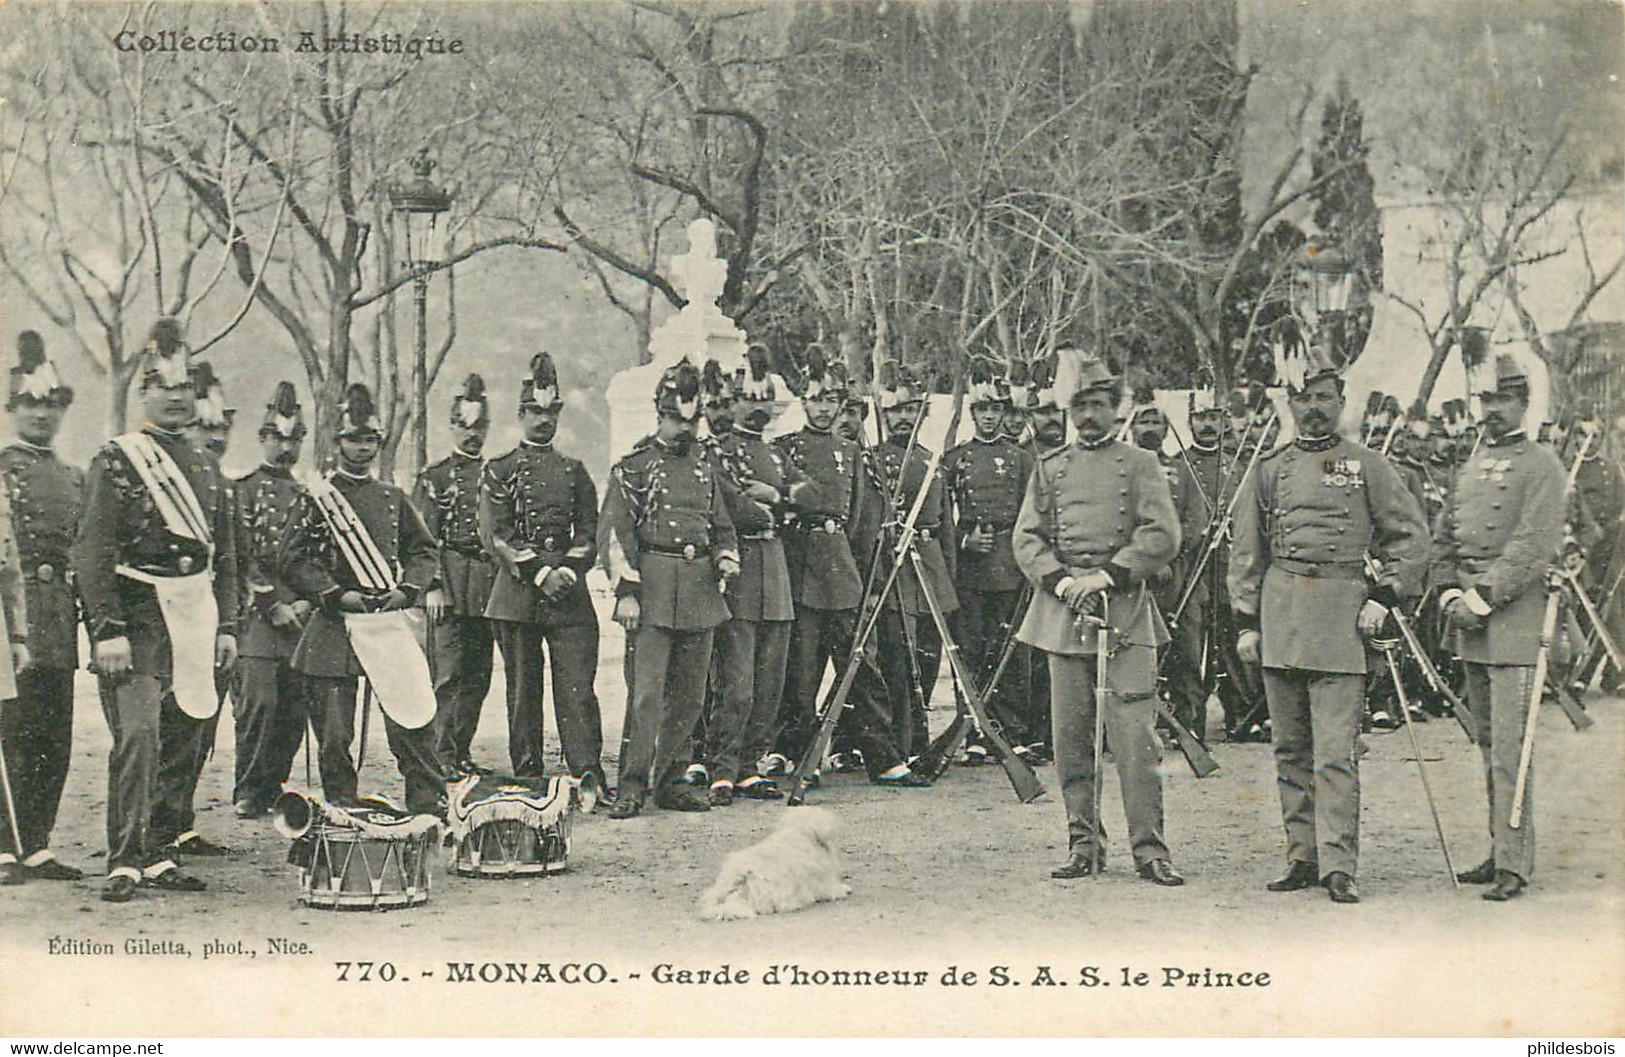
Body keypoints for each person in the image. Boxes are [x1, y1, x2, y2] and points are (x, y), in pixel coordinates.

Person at [1228, 344, 1429, 905]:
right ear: (1289, 404)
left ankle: (1339, 864)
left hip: (1343, 618)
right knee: (1288, 748)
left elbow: (1410, 538)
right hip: (1280, 615)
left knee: (1336, 752)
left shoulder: (1369, 466)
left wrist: (1385, 596)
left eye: (1323, 398)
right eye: (1303, 398)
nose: (1313, 408)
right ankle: (1302, 856)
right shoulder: (1268, 471)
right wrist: (1246, 621)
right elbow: (1246, 551)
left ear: (1340, 402)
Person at [72, 319, 239, 903]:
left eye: (183, 386)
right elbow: (92, 550)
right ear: (144, 391)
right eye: (161, 385)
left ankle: (162, 849)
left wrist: (228, 625)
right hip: (137, 620)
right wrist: (107, 630)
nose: (174, 396)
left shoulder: (207, 467)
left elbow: (227, 557)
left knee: (186, 734)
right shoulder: (116, 460)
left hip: (194, 620)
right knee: (139, 735)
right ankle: (125, 857)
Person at [1013, 354, 1183, 887]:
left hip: (1125, 612)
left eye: (1098, 406)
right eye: (1079, 406)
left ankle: (1150, 851)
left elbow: (1161, 534)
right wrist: (1063, 582)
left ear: (1116, 410)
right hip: (1063, 615)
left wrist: (1108, 576)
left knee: (1135, 740)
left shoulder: (1141, 464)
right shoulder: (1050, 467)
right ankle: (1083, 845)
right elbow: (1027, 538)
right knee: (1070, 739)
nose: (1088, 416)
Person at [278, 383, 446, 815]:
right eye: (355, 439)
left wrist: (408, 589)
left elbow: (424, 549)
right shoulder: (318, 499)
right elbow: (292, 558)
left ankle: (427, 806)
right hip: (336, 623)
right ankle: (341, 807)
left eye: (371, 439)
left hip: (384, 617)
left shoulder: (392, 497)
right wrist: (333, 593)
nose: (363, 448)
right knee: (334, 733)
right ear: (338, 443)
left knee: (411, 715)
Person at [1436, 354, 1565, 902]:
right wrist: (1447, 589)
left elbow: (1533, 546)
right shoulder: (1471, 463)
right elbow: (1445, 533)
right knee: (1487, 744)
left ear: (1522, 403)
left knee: (1513, 746)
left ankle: (1515, 862)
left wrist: (1481, 597)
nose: (1490, 411)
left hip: (1511, 620)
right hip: (1468, 621)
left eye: (1501, 401)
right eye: (1485, 401)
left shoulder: (1543, 466)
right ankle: (1498, 848)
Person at [769, 346, 928, 788]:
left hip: (844, 576)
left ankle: (883, 757)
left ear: (842, 404)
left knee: (861, 668)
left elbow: (863, 523)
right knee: (801, 675)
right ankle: (802, 755)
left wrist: (869, 583)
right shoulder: (783, 450)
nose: (823, 408)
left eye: (831, 400)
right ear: (803, 399)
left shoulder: (853, 454)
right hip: (802, 574)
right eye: (816, 398)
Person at [601, 359, 740, 817]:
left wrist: (724, 555)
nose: (685, 428)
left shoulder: (704, 468)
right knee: (645, 694)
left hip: (700, 589)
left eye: (691, 420)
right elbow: (617, 535)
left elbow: (721, 525)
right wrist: (625, 592)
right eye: (676, 419)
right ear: (659, 414)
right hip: (654, 587)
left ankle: (672, 781)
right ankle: (631, 784)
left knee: (689, 696)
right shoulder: (633, 468)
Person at [479, 354, 604, 786]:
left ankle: (587, 772)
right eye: (535, 411)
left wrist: (570, 569)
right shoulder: (499, 470)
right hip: (518, 595)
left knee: (577, 689)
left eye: (551, 412)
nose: (543, 420)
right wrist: (539, 574)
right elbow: (497, 534)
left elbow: (590, 530)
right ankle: (529, 775)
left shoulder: (575, 471)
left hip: (568, 592)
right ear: (520, 415)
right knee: (522, 692)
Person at [148, 359, 241, 858]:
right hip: (166, 618)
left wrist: (229, 623)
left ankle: (178, 820)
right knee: (168, 724)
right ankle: (155, 828)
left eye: (221, 427)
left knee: (200, 726)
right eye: (206, 427)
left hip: (210, 622)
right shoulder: (159, 475)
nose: (215, 437)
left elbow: (231, 561)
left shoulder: (219, 484)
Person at [0, 332, 83, 885]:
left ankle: (38, 842)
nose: (40, 416)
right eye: (30, 405)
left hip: (58, 615)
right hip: (10, 614)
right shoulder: (1, 469)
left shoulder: (76, 477)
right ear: (12, 409)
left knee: (51, 732)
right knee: (8, 728)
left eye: (49, 406)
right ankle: (3, 846)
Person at [698, 349, 795, 805]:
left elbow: (814, 494)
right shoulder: (719, 451)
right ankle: (724, 764)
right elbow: (731, 506)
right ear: (733, 401)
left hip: (776, 578)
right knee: (736, 682)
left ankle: (752, 764)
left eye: (764, 399)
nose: (756, 407)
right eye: (748, 399)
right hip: (742, 574)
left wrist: (777, 494)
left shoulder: (775, 453)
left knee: (769, 680)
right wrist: (767, 511)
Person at [854, 361, 957, 758]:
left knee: (928, 657)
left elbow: (945, 525)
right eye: (895, 411)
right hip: (893, 569)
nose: (903, 418)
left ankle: (918, 736)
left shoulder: (933, 461)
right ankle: (900, 741)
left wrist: (947, 577)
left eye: (910, 410)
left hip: (929, 570)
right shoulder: (873, 461)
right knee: (899, 659)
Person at [944, 358, 1038, 761]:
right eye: (982, 410)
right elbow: (939, 514)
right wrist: (964, 541)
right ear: (973, 414)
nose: (988, 417)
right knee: (971, 648)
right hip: (971, 567)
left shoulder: (1021, 459)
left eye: (995, 410)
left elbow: (1033, 515)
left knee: (1011, 651)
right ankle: (975, 733)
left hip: (1011, 563)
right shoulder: (956, 459)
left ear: (1004, 412)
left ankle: (1011, 731)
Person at [228, 382, 314, 819]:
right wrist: (271, 604)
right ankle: (248, 786)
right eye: (277, 438)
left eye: (293, 440)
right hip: (257, 616)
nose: (285, 447)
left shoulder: (311, 497)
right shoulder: (239, 491)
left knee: (294, 704)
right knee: (258, 702)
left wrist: (304, 602)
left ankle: (274, 783)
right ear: (262, 438)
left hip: (300, 615)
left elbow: (319, 558)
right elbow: (240, 557)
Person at [415, 374, 499, 778]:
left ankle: (460, 752)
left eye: (479, 427)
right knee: (447, 674)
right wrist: (431, 586)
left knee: (478, 675)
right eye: (464, 426)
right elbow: (420, 540)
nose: (472, 435)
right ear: (451, 427)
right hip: (447, 586)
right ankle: (439, 755)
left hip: (484, 585)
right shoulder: (433, 478)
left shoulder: (495, 475)